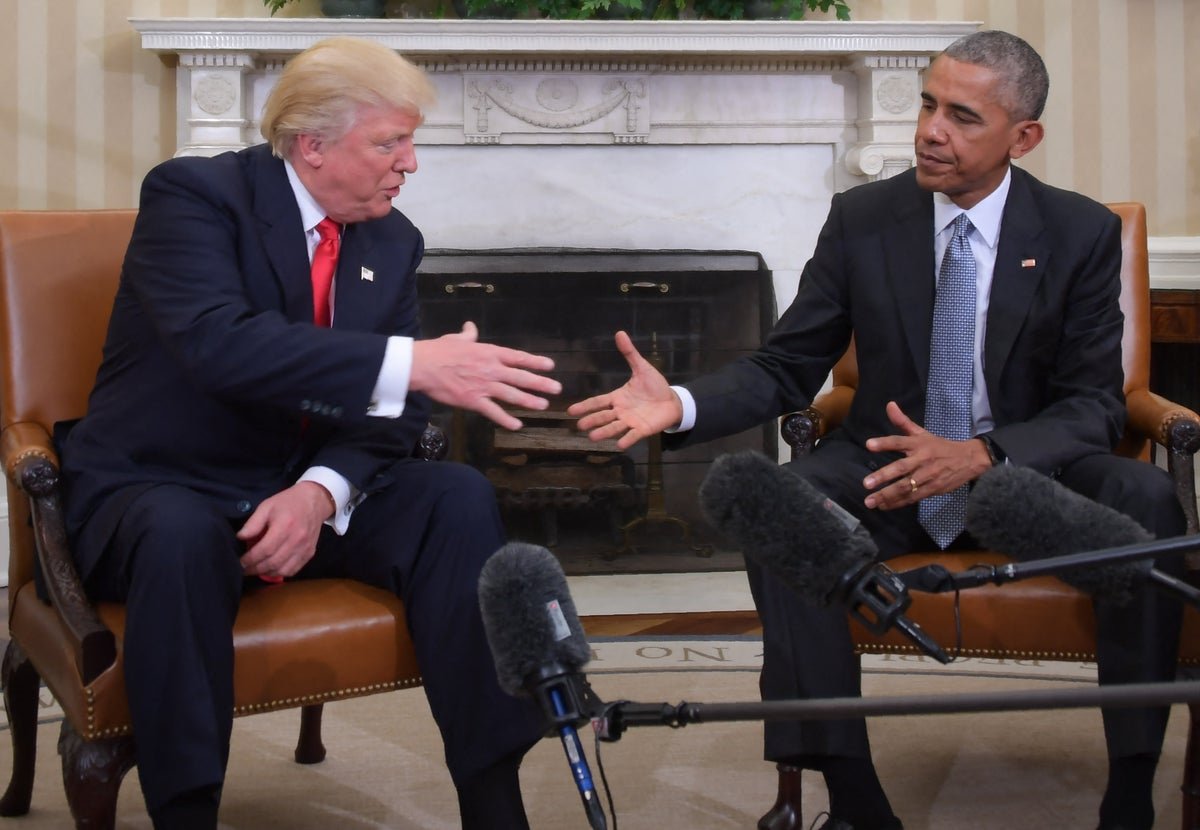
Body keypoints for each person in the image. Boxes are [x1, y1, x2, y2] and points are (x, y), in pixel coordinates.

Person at [568, 29, 1185, 830]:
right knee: (781, 509)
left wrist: (982, 454)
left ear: (1022, 137)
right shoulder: (865, 218)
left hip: (1033, 476)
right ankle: (854, 795)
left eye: (962, 116)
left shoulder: (1077, 233)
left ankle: (1131, 790)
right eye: (928, 105)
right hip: (890, 469)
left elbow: (1096, 405)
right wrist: (679, 404)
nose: (930, 129)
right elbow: (785, 366)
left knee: (1149, 503)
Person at [59, 37, 557, 829]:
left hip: (291, 489)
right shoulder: (194, 196)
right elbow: (219, 342)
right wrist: (413, 362)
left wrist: (318, 497)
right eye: (391, 142)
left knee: (455, 496)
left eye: (411, 141)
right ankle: (185, 811)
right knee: (180, 533)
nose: (411, 164)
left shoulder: (391, 239)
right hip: (163, 483)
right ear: (312, 144)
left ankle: (494, 803)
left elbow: (392, 416)